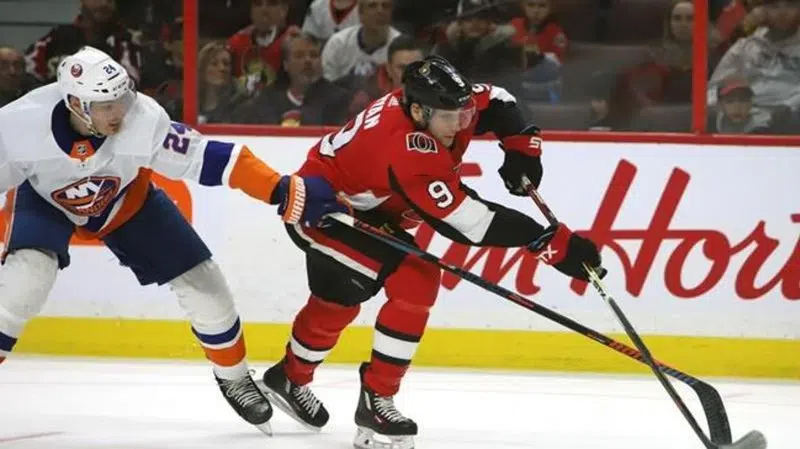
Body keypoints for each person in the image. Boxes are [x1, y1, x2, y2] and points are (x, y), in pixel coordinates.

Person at [258, 55, 605, 449]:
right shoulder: (405, 148)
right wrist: (549, 243)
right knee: (416, 278)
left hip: (368, 205)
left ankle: (289, 378)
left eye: (465, 114)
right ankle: (376, 401)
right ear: (418, 112)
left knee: (338, 300)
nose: (460, 124)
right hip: (325, 212)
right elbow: (468, 222)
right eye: (450, 118)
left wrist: (521, 147)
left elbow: (498, 100)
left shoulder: (443, 105)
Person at [0, 46, 348, 435]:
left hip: (126, 200)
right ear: (76, 104)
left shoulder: (142, 118)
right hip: (46, 201)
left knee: (205, 285)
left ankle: (235, 377)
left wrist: (278, 187)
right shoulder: (18, 125)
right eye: (105, 105)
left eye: (122, 99)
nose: (119, 112)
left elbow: (209, 157)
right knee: (24, 283)